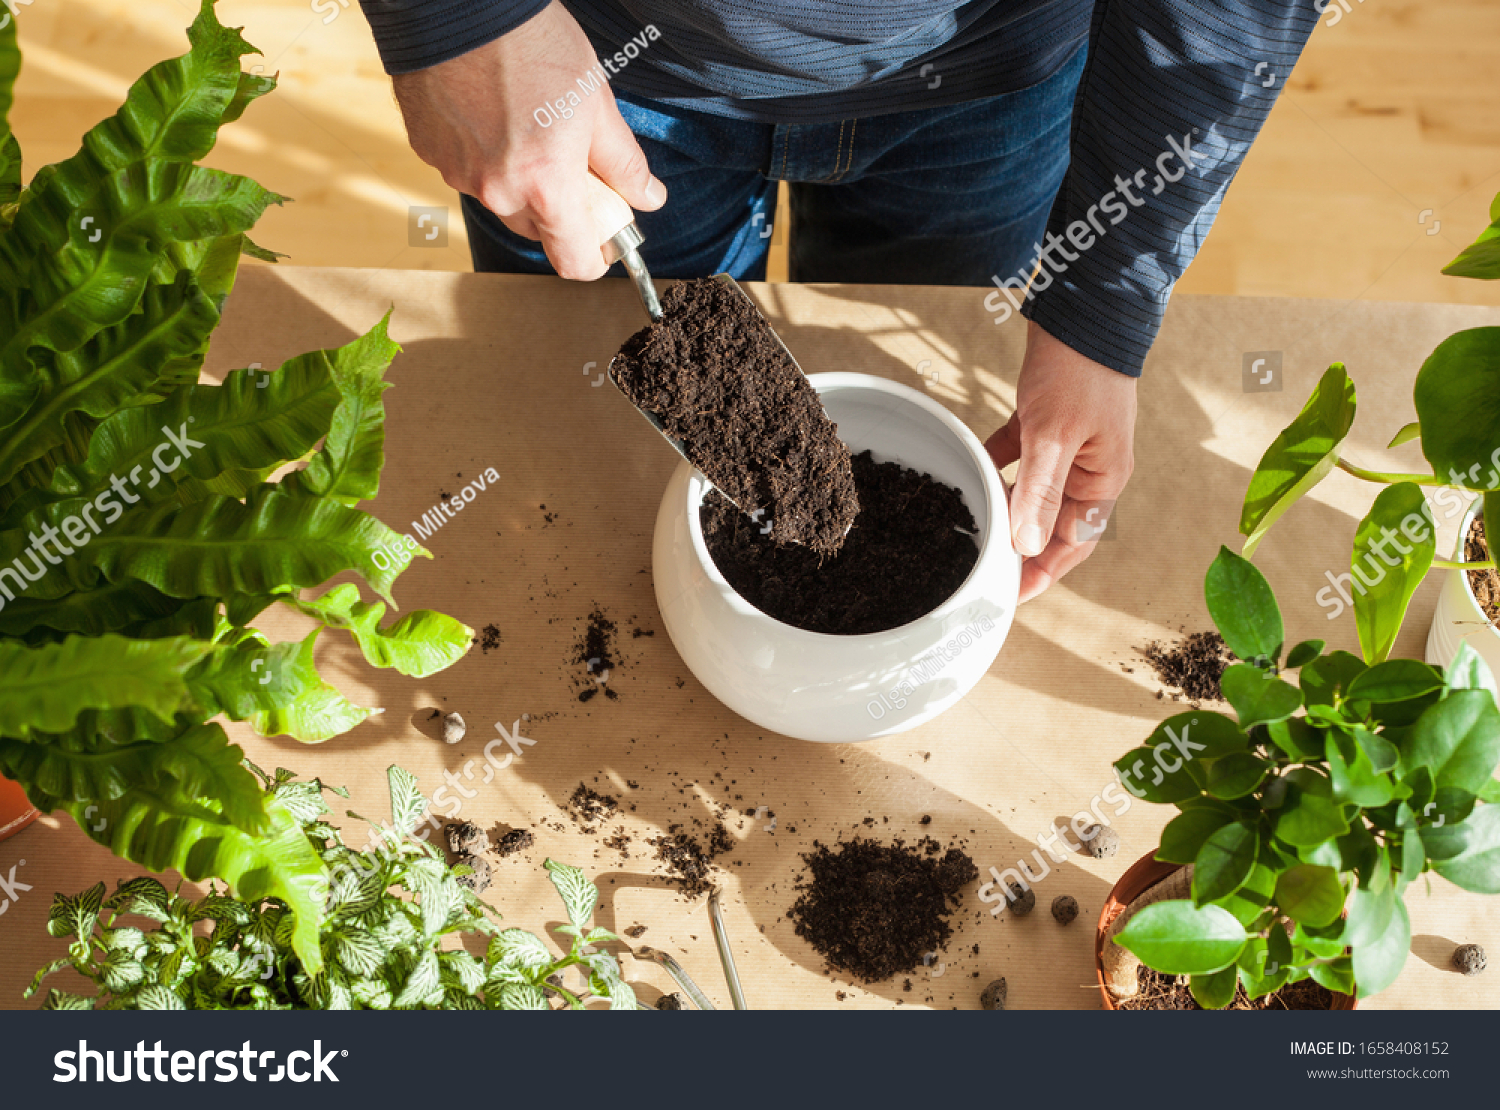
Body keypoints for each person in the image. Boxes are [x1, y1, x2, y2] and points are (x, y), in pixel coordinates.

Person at [357, 0, 1318, 601]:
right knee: (576, 459)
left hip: (991, 81)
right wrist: (460, 20)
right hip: (584, 67)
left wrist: (1102, 306)